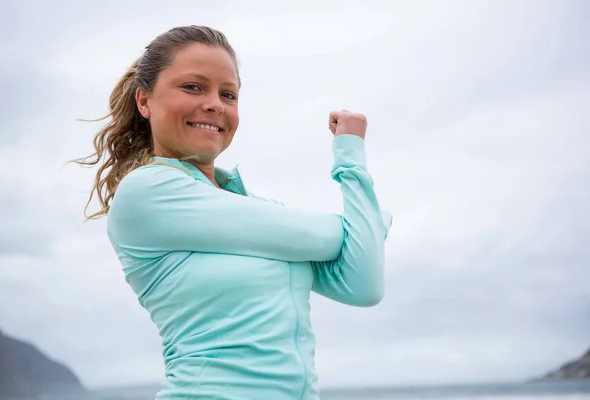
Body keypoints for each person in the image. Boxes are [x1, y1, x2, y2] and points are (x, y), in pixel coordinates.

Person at [75, 25, 392, 400]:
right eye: (193, 86)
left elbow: (364, 285)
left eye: (228, 94)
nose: (215, 104)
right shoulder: (146, 192)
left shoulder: (252, 210)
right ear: (144, 101)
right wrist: (365, 219)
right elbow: (334, 239)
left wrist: (353, 168)